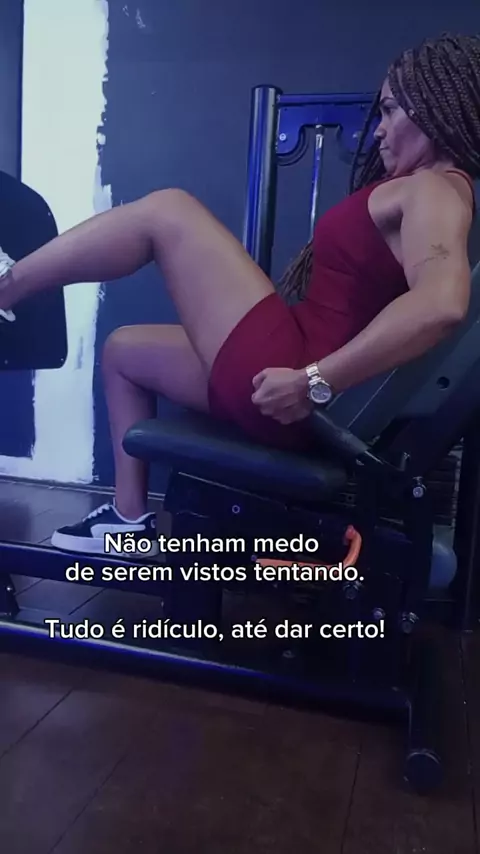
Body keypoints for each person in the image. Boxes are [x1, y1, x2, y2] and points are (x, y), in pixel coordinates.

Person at [0, 32, 477, 556]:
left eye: (389, 111)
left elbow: (441, 303)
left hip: (295, 375)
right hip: (292, 364)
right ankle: (128, 522)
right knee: (124, 351)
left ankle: (7, 286)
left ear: (434, 106)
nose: (379, 130)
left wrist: (313, 382)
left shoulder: (435, 190)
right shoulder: (429, 189)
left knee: (167, 212)